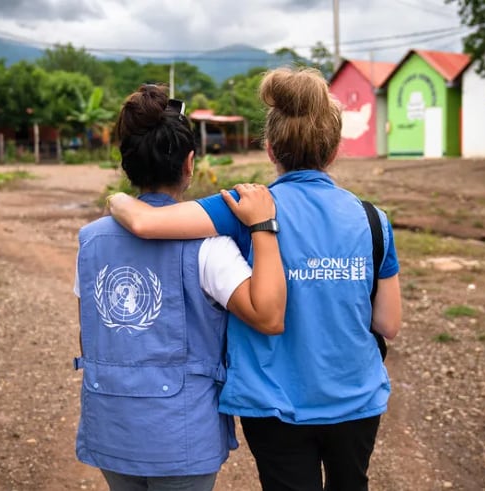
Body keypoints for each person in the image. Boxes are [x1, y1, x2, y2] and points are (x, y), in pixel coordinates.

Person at [107, 67, 402, 491]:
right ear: (334, 149)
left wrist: (117, 199)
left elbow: (145, 222)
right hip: (356, 401)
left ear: (270, 149)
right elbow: (389, 323)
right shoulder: (373, 219)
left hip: (275, 406)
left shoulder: (244, 208)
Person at [73, 84, 286, 491]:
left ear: (127, 164)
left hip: (109, 424)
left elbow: (89, 334)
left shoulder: (90, 241)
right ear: (190, 163)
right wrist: (261, 226)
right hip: (184, 435)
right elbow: (268, 314)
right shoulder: (210, 247)